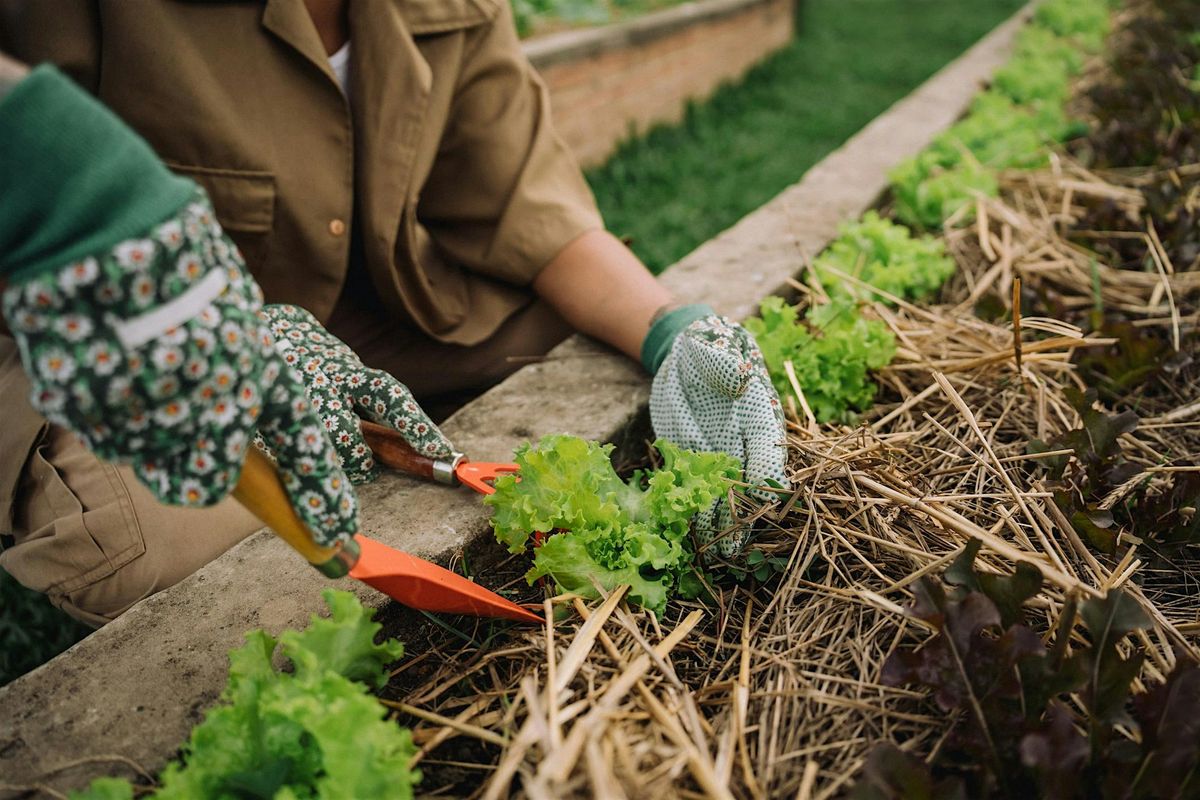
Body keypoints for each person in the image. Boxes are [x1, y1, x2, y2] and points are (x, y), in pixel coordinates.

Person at [0, 1, 789, 626]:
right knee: (151, 537)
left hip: (370, 309)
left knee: (587, 336)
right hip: (108, 339)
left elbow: (523, 202)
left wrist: (670, 328)